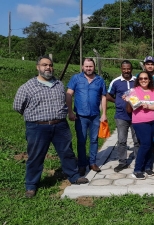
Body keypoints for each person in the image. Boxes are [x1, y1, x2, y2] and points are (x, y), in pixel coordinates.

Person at [13, 56, 88, 198]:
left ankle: (74, 175)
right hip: (37, 127)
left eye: (50, 65)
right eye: (44, 65)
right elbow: (17, 106)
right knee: (35, 156)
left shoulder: (59, 84)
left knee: (67, 152)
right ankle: (31, 185)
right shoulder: (27, 86)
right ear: (38, 67)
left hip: (60, 125)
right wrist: (35, 117)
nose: (48, 67)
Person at [66, 58, 107, 175]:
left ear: (94, 67)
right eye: (86, 66)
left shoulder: (99, 80)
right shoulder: (76, 78)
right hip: (80, 116)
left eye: (91, 66)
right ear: (83, 67)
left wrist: (104, 114)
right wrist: (70, 112)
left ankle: (93, 162)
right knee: (81, 141)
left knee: (94, 140)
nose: (89, 68)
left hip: (95, 116)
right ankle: (82, 164)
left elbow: (103, 97)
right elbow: (69, 94)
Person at [126, 71, 154, 179]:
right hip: (140, 121)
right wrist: (128, 101)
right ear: (138, 80)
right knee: (145, 144)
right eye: (141, 78)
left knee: (150, 144)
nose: (143, 80)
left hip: (153, 120)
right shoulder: (133, 91)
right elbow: (134, 107)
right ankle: (137, 170)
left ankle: (147, 167)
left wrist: (148, 106)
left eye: (145, 78)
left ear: (149, 80)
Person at [107, 60, 140, 173]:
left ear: (131, 69)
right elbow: (108, 95)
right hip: (121, 115)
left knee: (137, 140)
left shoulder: (137, 81)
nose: (126, 71)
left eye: (128, 68)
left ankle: (138, 161)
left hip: (136, 115)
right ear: (121, 69)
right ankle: (122, 162)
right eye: (124, 68)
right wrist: (117, 102)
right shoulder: (115, 82)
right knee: (122, 140)